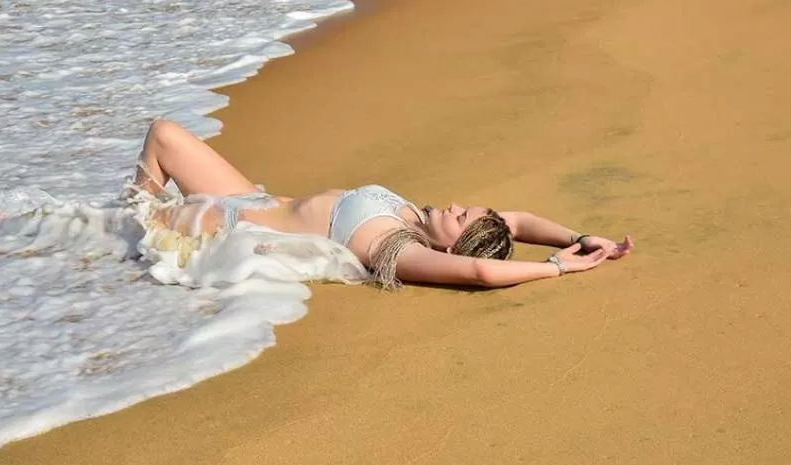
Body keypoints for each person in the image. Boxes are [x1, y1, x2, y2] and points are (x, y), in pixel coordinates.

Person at [129, 120, 633, 289]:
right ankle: (112, 220)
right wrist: (578, 237)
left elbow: (480, 273)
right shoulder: (419, 217)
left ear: (456, 246)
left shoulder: (394, 246)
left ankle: (107, 235)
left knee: (130, 227)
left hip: (223, 221)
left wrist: (555, 268)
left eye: (461, 217)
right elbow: (517, 221)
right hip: (247, 196)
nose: (454, 205)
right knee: (164, 134)